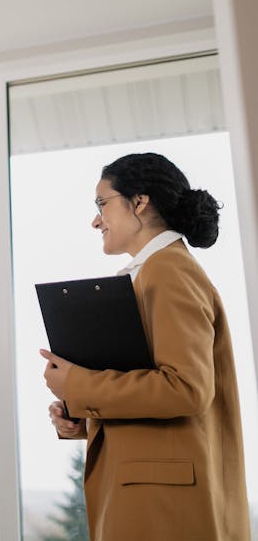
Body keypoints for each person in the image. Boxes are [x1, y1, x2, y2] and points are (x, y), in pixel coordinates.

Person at [41, 152, 250, 541]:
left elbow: (186, 388)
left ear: (139, 202)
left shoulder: (168, 271)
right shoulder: (152, 272)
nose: (96, 220)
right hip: (154, 495)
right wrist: (81, 414)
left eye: (102, 204)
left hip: (165, 505)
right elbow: (156, 391)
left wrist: (79, 385)